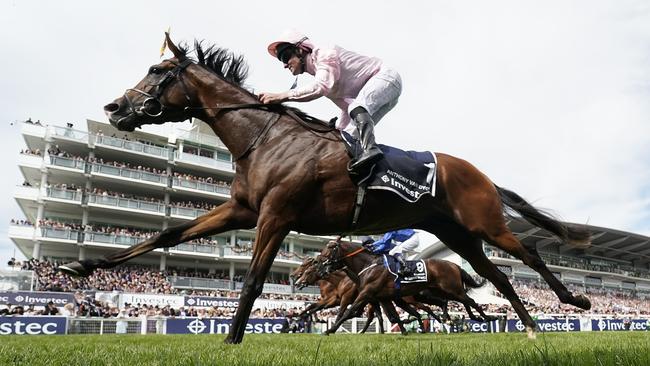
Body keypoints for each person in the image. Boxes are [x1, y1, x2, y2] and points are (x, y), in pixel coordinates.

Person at [260, 29, 403, 173]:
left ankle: (371, 149)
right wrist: (338, 131)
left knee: (357, 109)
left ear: (300, 50)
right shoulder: (323, 74)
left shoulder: (324, 54)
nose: (285, 65)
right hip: (387, 92)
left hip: (386, 78)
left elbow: (320, 87)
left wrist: (281, 96)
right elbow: (347, 109)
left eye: (285, 57)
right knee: (347, 138)